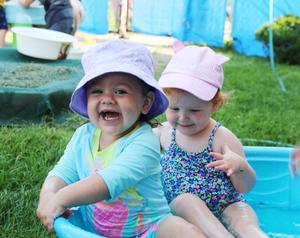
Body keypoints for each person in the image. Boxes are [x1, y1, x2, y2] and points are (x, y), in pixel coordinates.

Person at [36, 39, 206, 238]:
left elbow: (110, 181)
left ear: (146, 103)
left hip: (148, 230)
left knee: (181, 230)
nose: (107, 98)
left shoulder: (144, 141)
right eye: (97, 91)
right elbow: (63, 173)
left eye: (120, 91)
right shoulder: (83, 136)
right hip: (95, 229)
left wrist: (61, 198)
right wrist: (48, 195)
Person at [154, 41, 268, 238]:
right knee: (187, 201)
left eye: (194, 110)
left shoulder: (221, 137)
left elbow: (245, 188)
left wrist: (240, 166)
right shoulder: (163, 133)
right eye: (174, 109)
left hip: (228, 204)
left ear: (215, 105)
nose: (182, 117)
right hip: (184, 211)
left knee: (245, 223)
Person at [18, 0, 84, 35]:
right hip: (75, 10)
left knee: (50, 46)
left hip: (59, 14)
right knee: (63, 47)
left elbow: (25, 3)